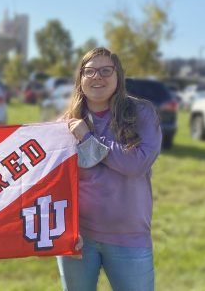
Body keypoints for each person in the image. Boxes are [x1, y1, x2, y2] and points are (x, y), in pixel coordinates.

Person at [58, 47, 162, 291]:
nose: (97, 77)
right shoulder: (66, 124)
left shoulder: (141, 113)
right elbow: (52, 180)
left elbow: (136, 163)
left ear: (119, 76)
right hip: (78, 239)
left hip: (128, 238)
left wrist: (89, 140)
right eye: (90, 71)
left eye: (106, 71)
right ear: (80, 79)